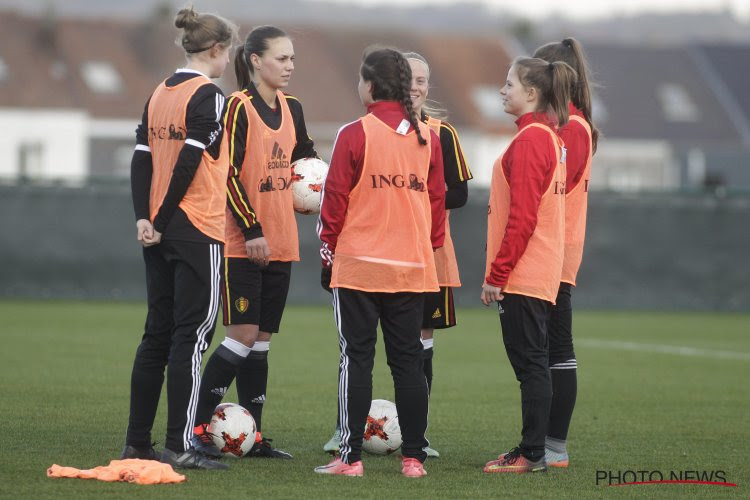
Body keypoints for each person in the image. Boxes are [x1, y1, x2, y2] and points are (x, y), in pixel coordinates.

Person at [322, 51, 473, 457]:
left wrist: (327, 255)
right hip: (412, 267)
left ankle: (349, 456)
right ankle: (414, 457)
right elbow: (438, 202)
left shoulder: (354, 132)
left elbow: (333, 201)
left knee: (357, 359)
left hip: (359, 267)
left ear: (370, 85)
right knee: (408, 362)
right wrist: (430, 246)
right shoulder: (426, 137)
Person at [190, 25, 317, 460]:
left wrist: (312, 184)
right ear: (255, 60)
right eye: (282, 58)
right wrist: (252, 230)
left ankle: (253, 435)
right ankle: (198, 426)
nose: (290, 66)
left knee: (261, 341)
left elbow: (305, 155)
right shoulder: (237, 108)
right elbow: (225, 173)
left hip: (282, 240)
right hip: (244, 243)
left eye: (293, 58)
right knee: (241, 335)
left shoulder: (293, 107)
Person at [122, 7, 237, 470]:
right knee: (191, 337)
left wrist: (144, 219)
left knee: (158, 334)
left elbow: (140, 159)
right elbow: (190, 165)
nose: (229, 61)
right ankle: (179, 444)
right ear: (215, 49)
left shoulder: (159, 92)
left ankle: (137, 442)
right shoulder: (210, 95)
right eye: (228, 52)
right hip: (196, 227)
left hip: (158, 229)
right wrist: (164, 218)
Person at [481, 56, 576, 473]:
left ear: (532, 93)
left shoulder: (532, 140)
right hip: (539, 270)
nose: (502, 90)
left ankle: (532, 452)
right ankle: (534, 449)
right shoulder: (548, 138)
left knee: (531, 365)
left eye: (509, 84)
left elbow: (522, 218)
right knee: (534, 363)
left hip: (524, 274)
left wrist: (497, 275)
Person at [532, 38, 598, 469]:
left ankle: (552, 446)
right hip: (554, 248)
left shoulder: (571, 129)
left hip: (554, 251)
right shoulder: (568, 126)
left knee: (555, 349)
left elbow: (550, 191)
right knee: (548, 348)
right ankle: (546, 444)